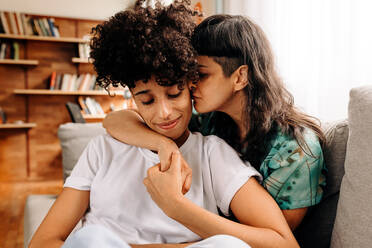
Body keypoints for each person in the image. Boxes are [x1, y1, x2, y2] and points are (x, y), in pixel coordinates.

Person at [29, 1, 299, 247]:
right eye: (146, 101)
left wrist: (176, 206)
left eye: (174, 94)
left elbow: (284, 244)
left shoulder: (211, 152)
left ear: (190, 87)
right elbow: (44, 241)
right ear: (132, 98)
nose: (165, 113)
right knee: (91, 239)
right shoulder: (103, 149)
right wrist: (163, 144)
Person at [103, 13, 327, 231]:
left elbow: (272, 239)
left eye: (200, 75)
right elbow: (115, 121)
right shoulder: (210, 121)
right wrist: (164, 145)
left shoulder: (296, 151)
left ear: (240, 77)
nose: (190, 84)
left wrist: (177, 208)